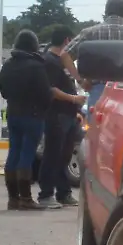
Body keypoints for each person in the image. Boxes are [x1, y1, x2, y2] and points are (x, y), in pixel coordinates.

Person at [0, 30, 54, 210]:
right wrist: (43, 110)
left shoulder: (7, 65)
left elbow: (4, 92)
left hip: (13, 113)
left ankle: (13, 198)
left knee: (13, 152)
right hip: (33, 115)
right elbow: (46, 94)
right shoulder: (36, 66)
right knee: (27, 154)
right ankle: (26, 198)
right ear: (33, 46)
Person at [37, 25, 86, 209]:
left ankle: (64, 192)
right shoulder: (49, 61)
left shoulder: (60, 61)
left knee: (64, 155)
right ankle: (46, 194)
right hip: (56, 114)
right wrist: (74, 99)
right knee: (52, 155)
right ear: (67, 40)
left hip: (69, 114)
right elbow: (51, 90)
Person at [63, 0, 123, 110]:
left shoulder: (90, 32)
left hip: (98, 91)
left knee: (95, 126)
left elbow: (65, 55)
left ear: (106, 11)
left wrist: (81, 80)